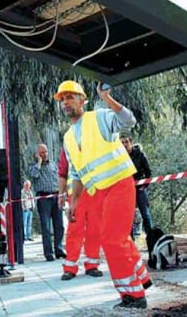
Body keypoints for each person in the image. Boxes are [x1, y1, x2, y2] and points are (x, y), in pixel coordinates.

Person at [55, 80, 151, 309]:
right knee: (119, 238)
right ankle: (142, 278)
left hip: (119, 184)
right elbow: (76, 173)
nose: (66, 102)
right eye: (62, 99)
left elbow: (129, 121)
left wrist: (107, 98)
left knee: (111, 239)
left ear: (82, 100)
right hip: (96, 192)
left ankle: (133, 295)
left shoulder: (99, 117)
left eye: (70, 97)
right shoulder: (68, 137)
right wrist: (73, 201)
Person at [57, 147, 104, 281]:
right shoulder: (69, 144)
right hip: (76, 195)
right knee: (75, 230)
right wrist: (61, 194)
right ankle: (70, 267)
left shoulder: (95, 140)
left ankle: (92, 265)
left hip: (95, 191)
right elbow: (63, 172)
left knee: (94, 229)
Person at [29, 143, 66, 261]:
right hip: (43, 198)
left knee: (59, 226)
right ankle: (48, 253)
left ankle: (59, 250)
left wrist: (62, 194)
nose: (44, 154)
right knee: (46, 227)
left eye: (45, 152)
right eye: (41, 153)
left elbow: (59, 178)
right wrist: (39, 162)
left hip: (56, 196)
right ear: (37, 154)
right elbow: (34, 175)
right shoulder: (33, 166)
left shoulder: (53, 164)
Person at [120, 135, 154, 237]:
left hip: (140, 189)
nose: (124, 145)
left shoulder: (140, 154)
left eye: (126, 142)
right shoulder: (119, 157)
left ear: (131, 142)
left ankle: (151, 238)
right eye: (122, 143)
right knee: (127, 216)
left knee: (145, 214)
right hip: (126, 190)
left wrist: (145, 186)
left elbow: (148, 172)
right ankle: (130, 240)